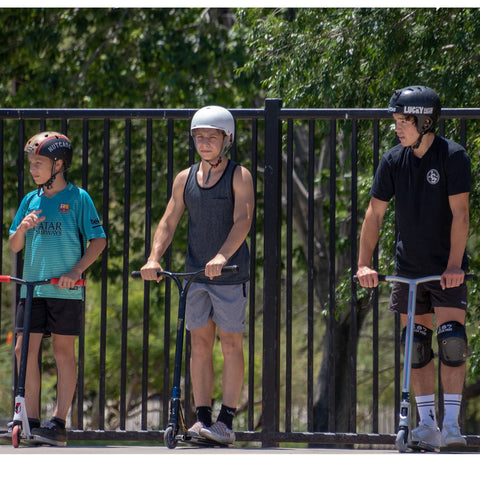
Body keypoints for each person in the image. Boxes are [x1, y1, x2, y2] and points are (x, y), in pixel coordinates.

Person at [356, 86, 470, 449]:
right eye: (395, 121)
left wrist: (454, 265)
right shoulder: (392, 160)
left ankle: (452, 426)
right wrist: (363, 264)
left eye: (403, 121)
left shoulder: (453, 156)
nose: (396, 128)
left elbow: (461, 215)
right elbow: (374, 215)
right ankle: (426, 426)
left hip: (444, 269)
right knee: (415, 346)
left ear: (425, 120)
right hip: (408, 269)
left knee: (452, 341)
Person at [140, 105, 254, 445]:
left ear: (226, 140)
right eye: (199, 137)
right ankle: (202, 419)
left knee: (231, 344)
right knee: (200, 345)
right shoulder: (184, 178)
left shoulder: (239, 175)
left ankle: (226, 422)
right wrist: (153, 257)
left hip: (230, 274)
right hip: (195, 276)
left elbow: (243, 220)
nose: (204, 143)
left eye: (211, 137)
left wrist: (222, 255)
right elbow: (169, 220)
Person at [8, 131, 106, 446]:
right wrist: (22, 228)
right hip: (32, 290)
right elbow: (14, 246)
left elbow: (99, 240)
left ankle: (59, 424)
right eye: (31, 163)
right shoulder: (29, 200)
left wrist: (76, 270)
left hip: (64, 291)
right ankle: (30, 421)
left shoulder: (79, 199)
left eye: (39, 163)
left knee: (63, 352)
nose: (33, 169)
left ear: (59, 164)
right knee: (23, 350)